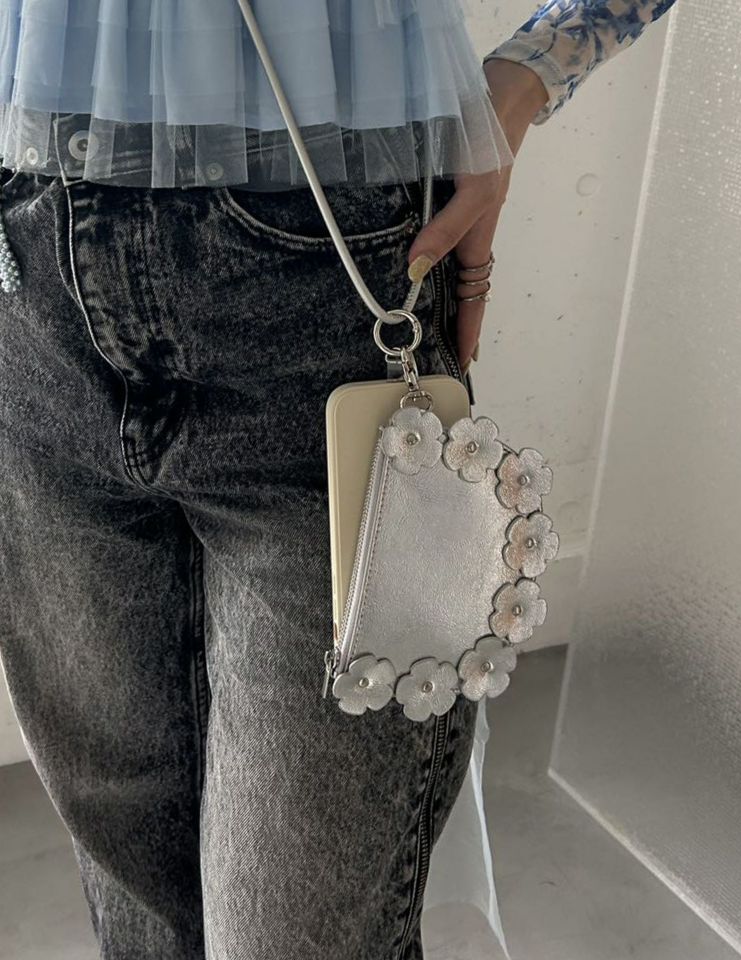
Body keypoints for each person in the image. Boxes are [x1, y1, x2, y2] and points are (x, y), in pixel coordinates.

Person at [0, 2, 678, 958]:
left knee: (298, 933)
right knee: (138, 903)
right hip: (26, 278)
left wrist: (530, 73)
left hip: (328, 273)